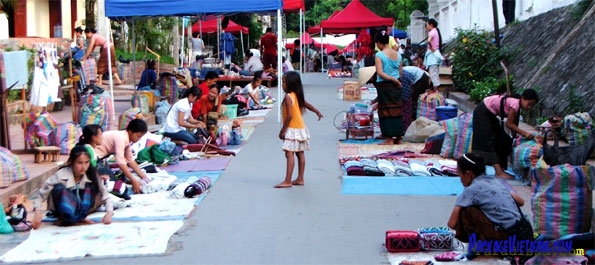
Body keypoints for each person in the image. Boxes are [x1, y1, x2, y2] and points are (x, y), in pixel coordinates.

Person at [447, 153, 533, 254]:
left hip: (508, 238)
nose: (460, 180)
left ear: (468, 174)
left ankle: (485, 247)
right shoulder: (496, 181)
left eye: (459, 175)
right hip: (526, 232)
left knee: (467, 211)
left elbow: (452, 224)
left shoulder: (471, 190)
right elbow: (521, 201)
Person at [31, 145, 113, 229]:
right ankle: (72, 218)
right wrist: (37, 212)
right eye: (79, 163)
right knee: (59, 188)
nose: (84, 167)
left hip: (83, 209)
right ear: (72, 162)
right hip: (63, 211)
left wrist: (109, 213)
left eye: (87, 162)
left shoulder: (92, 174)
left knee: (90, 187)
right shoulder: (61, 175)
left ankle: (78, 218)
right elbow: (40, 196)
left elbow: (105, 196)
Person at [472, 89, 539, 179]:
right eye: (529, 104)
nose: (529, 107)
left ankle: (501, 169)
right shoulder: (515, 104)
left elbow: (514, 125)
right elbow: (509, 124)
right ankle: (498, 172)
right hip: (483, 111)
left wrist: (515, 138)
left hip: (490, 113)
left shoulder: (518, 105)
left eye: (532, 105)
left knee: (501, 138)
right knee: (488, 140)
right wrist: (525, 133)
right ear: (523, 98)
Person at [275, 71, 323, 188]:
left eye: (284, 82)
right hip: (301, 127)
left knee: (289, 153)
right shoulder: (297, 95)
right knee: (300, 153)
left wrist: (282, 130)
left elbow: (290, 116)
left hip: (292, 128)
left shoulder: (288, 97)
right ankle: (300, 178)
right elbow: (307, 104)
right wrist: (317, 111)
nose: (282, 85)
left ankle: (287, 180)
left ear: (290, 84)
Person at [94, 119, 150, 194]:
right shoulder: (121, 138)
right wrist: (134, 181)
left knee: (119, 181)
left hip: (102, 160)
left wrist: (143, 176)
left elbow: (130, 160)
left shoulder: (126, 139)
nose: (138, 139)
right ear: (130, 131)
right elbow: (121, 163)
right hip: (95, 160)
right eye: (138, 136)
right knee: (117, 187)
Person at [372, 28, 404, 145]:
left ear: (379, 43)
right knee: (397, 109)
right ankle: (399, 137)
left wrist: (391, 78)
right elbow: (400, 72)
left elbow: (380, 72)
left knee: (386, 111)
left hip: (385, 85)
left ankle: (389, 138)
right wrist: (396, 80)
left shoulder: (379, 55)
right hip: (397, 85)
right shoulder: (398, 55)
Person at [400, 66, 432, 131]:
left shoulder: (402, 74)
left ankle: (413, 120)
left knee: (414, 100)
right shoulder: (400, 72)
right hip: (422, 76)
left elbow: (405, 95)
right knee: (414, 99)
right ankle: (412, 119)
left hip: (422, 78)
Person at [424, 18, 443, 91]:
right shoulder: (436, 31)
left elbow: (428, 41)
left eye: (427, 24)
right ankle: (433, 90)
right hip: (435, 55)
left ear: (431, 25)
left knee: (433, 75)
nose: (426, 26)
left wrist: (431, 47)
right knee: (433, 74)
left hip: (433, 56)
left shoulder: (432, 32)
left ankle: (435, 91)